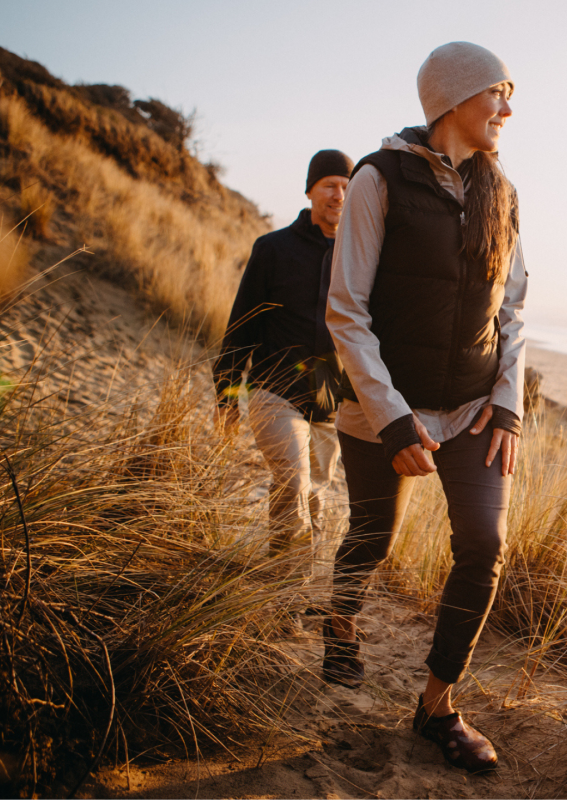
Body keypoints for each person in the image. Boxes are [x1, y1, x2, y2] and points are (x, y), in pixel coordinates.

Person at [324, 42, 526, 773]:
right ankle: (341, 621)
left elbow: (514, 309)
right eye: (496, 93)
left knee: (484, 543)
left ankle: (436, 706)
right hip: (385, 405)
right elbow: (345, 312)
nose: (508, 109)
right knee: (373, 535)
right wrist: (392, 417)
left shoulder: (501, 192)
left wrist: (507, 406)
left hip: (472, 407)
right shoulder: (378, 179)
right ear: (451, 99)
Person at [213, 149, 353, 610]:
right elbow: (242, 326)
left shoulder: (359, 257)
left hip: (330, 403)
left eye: (347, 186)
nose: (339, 194)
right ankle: (287, 598)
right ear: (310, 189)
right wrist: (226, 396)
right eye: (330, 183)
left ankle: (287, 584)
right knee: (293, 483)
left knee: (314, 498)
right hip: (274, 391)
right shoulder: (272, 249)